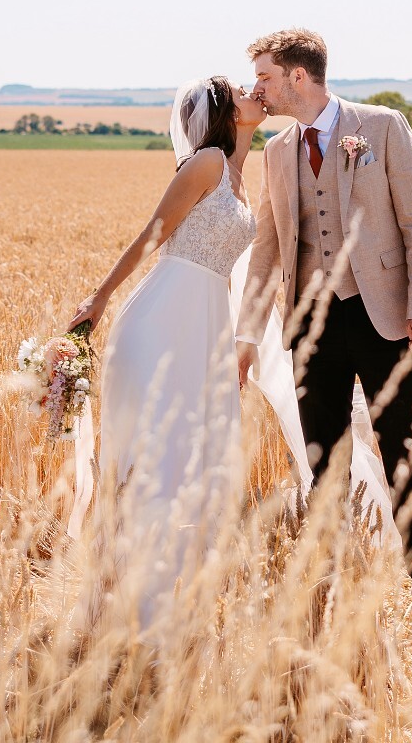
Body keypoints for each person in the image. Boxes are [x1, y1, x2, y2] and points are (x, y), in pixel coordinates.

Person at [236, 29, 412, 623]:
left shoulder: (381, 127)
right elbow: (267, 248)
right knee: (323, 466)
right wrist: (248, 333)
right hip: (310, 328)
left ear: (298, 77)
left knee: (405, 461)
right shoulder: (278, 150)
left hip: (384, 319)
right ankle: (330, 605)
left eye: (265, 76)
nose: (258, 88)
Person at [67, 76, 265, 625]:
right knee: (159, 453)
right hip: (160, 322)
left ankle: (171, 594)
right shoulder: (205, 163)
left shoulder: (238, 173)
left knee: (195, 449)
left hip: (205, 324)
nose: (254, 92)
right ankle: (129, 604)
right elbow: (152, 234)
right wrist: (99, 298)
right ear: (226, 112)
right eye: (242, 90)